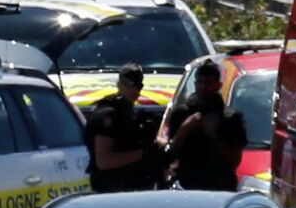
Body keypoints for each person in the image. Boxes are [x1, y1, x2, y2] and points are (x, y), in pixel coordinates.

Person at [86, 63, 161, 193]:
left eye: (138, 85)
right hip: (110, 189)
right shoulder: (108, 114)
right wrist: (143, 154)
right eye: (129, 84)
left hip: (133, 187)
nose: (134, 90)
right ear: (119, 84)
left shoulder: (130, 113)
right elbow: (103, 161)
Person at [168, 95, 247, 191]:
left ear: (217, 85)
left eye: (208, 83)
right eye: (200, 82)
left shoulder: (231, 118)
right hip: (187, 185)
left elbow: (234, 161)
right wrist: (186, 127)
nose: (204, 87)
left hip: (219, 185)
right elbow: (171, 154)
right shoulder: (181, 114)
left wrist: (214, 135)